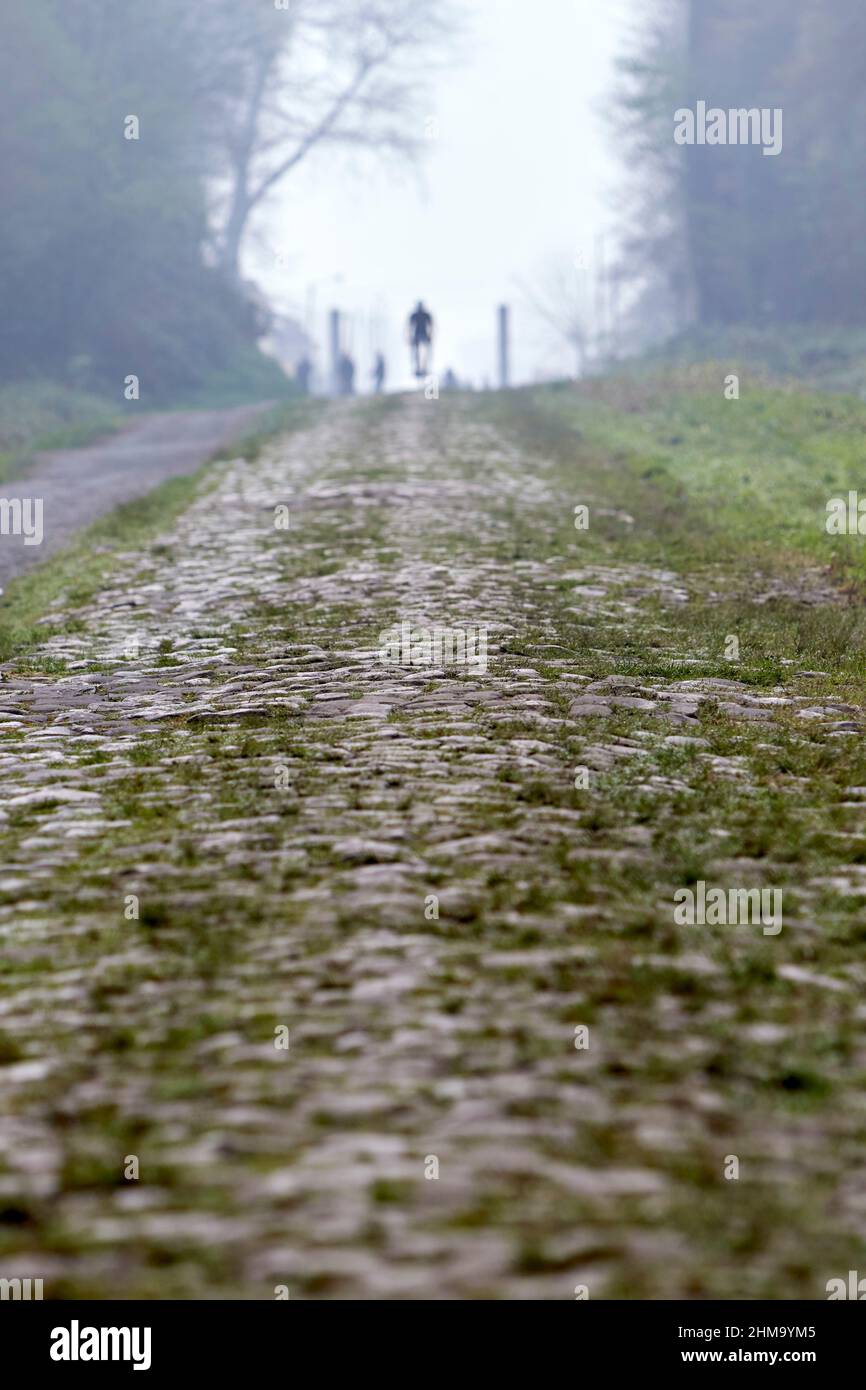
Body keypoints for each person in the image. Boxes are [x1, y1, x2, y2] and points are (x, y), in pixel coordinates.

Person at [407, 300, 434, 377]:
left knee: (424, 352)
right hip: (418, 335)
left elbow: (431, 325)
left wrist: (430, 335)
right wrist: (409, 337)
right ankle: (418, 368)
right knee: (416, 353)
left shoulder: (425, 315)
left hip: (423, 335)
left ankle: (423, 367)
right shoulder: (415, 315)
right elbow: (410, 326)